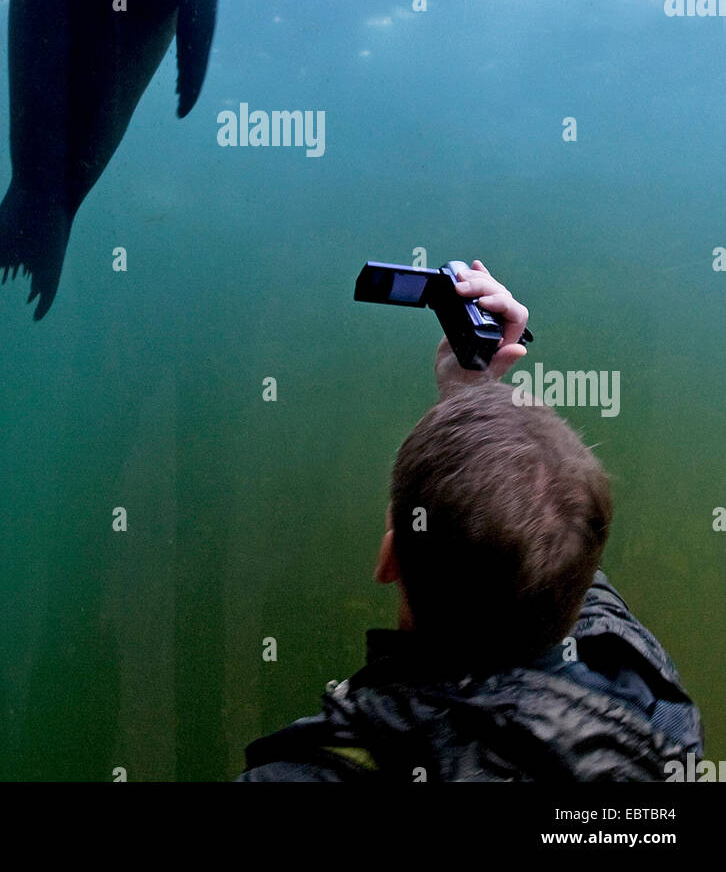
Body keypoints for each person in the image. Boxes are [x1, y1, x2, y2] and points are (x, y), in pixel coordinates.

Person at [237, 261, 703, 781]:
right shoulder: (646, 698)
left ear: (388, 558)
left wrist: (471, 397)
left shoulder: (306, 774)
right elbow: (548, 538)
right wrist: (471, 396)